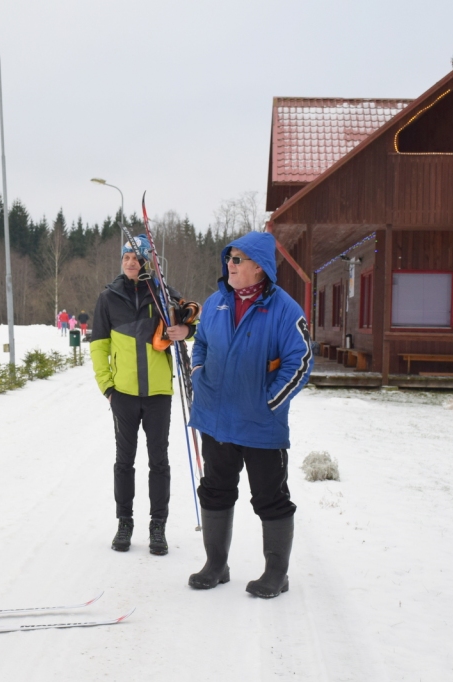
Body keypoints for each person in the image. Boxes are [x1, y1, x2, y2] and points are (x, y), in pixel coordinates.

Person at [187, 230, 312, 598]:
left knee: (270, 497)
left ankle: (276, 573)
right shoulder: (216, 303)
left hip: (261, 425)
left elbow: (301, 361)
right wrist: (198, 376)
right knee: (215, 491)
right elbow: (202, 345)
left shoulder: (285, 309)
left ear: (260, 267)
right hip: (216, 419)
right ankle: (216, 565)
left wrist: (271, 401)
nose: (230, 264)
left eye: (237, 259)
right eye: (228, 258)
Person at [90, 234, 196, 555]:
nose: (131, 262)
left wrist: (186, 329)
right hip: (122, 394)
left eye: (136, 258)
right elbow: (99, 347)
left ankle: (158, 526)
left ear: (148, 261)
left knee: (158, 461)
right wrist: (107, 387)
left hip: (159, 394)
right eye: (126, 258)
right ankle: (125, 523)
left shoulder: (163, 294)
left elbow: (191, 317)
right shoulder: (108, 298)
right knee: (124, 461)